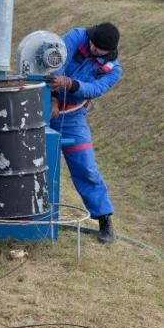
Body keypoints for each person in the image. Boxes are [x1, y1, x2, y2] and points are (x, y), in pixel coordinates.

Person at [48, 22, 122, 243]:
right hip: (41, 105)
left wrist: (70, 84)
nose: (93, 49)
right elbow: (56, 59)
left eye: (99, 50)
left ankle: (104, 219)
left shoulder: (114, 70)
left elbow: (95, 89)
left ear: (109, 52)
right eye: (92, 45)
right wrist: (52, 98)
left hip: (72, 116)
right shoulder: (76, 36)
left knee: (86, 167)